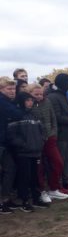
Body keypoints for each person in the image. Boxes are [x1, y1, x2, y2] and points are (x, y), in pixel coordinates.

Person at [28, 84, 68, 203]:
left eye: (41, 94)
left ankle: (54, 188)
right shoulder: (29, 105)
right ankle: (41, 191)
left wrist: (53, 134)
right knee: (39, 168)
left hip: (50, 138)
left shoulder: (47, 102)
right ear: (30, 94)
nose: (39, 96)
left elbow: (53, 119)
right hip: (36, 141)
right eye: (36, 94)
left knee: (58, 162)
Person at [8, 92, 46, 212]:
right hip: (23, 153)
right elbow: (12, 135)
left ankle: (36, 198)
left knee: (35, 177)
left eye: (31, 100)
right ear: (21, 101)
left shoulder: (34, 115)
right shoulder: (17, 115)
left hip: (36, 151)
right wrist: (23, 144)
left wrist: (41, 141)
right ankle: (24, 201)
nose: (30, 102)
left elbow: (42, 130)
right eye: (27, 100)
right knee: (24, 177)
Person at [47, 74, 68, 192]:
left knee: (67, 159)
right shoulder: (52, 97)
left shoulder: (63, 95)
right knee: (60, 160)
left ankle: (66, 182)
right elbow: (57, 117)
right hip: (60, 134)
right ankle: (58, 185)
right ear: (63, 84)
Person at [0, 77, 23, 214]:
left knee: (10, 169)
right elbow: (17, 114)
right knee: (8, 170)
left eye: (13, 88)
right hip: (1, 142)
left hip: (5, 142)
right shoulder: (3, 102)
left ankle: (5, 199)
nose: (12, 91)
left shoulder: (8, 102)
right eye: (9, 89)